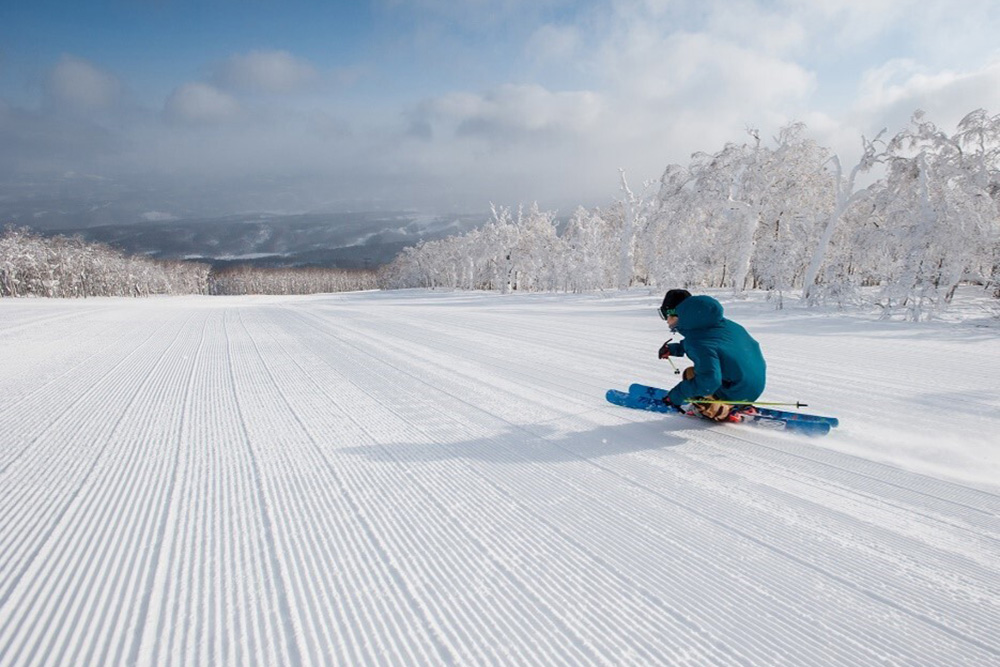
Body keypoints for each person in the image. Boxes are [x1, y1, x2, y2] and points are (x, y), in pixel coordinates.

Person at [656, 289, 766, 421]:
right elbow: (711, 343)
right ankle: (741, 404)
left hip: (736, 392)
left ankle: (724, 411)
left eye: (667, 315)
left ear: (680, 315)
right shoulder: (725, 325)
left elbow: (709, 381)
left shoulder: (698, 342)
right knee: (707, 374)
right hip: (752, 387)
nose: (667, 321)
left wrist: (676, 396)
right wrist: (674, 349)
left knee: (691, 375)